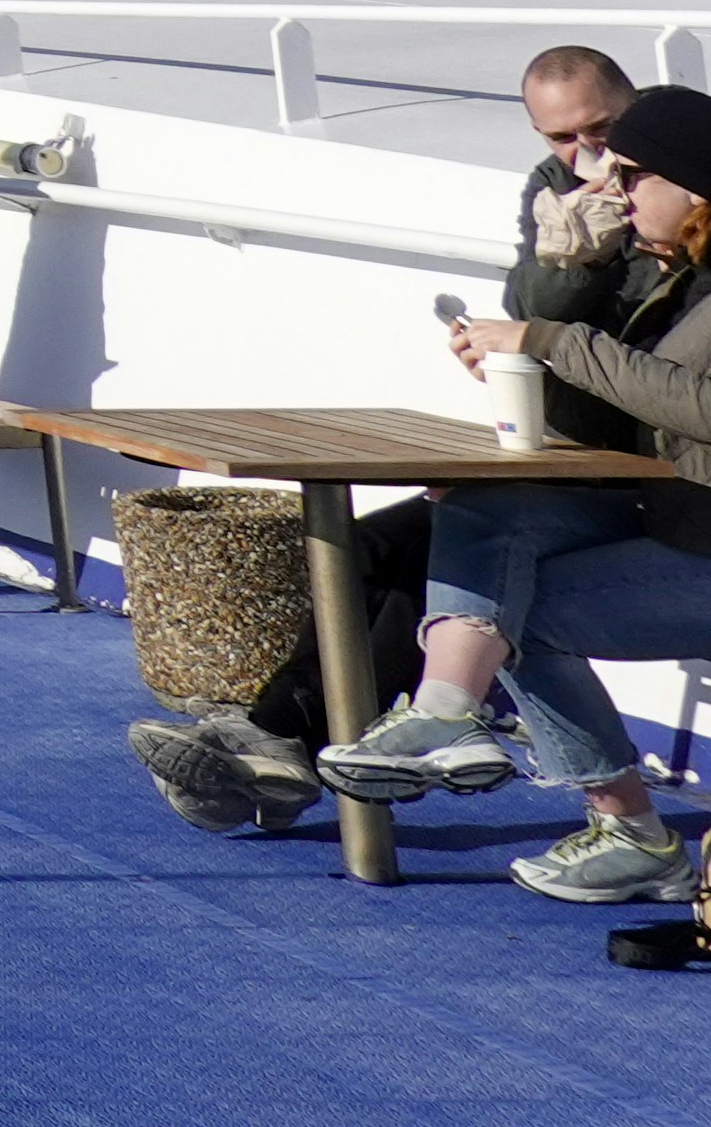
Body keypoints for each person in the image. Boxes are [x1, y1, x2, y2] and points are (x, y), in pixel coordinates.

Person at [133, 43, 647, 833]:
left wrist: (554, 311)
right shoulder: (553, 191)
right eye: (558, 139)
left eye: (600, 130)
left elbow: (634, 359)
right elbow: (533, 305)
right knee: (372, 547)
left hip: (636, 480)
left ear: (634, 107)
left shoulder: (670, 194)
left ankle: (287, 746)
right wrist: (519, 327)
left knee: (445, 547)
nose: (585, 155)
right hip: (557, 455)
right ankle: (281, 744)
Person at [317, 79, 711, 904]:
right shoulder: (676, 271)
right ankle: (450, 708)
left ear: (694, 179)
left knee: (515, 606)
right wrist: (530, 347)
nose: (608, 187)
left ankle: (632, 833)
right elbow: (630, 404)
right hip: (679, 517)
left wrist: (551, 341)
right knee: (485, 513)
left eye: (632, 173)